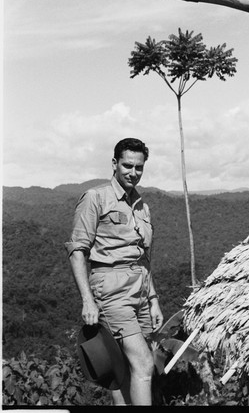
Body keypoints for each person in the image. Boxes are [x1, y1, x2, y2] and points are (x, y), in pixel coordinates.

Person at [65, 137, 164, 405]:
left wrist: (153, 300)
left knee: (124, 368)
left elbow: (145, 258)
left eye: (139, 167)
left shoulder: (142, 206)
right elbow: (77, 251)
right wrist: (87, 300)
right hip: (111, 288)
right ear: (114, 164)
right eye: (127, 165)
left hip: (141, 290)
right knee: (143, 364)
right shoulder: (95, 198)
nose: (133, 172)